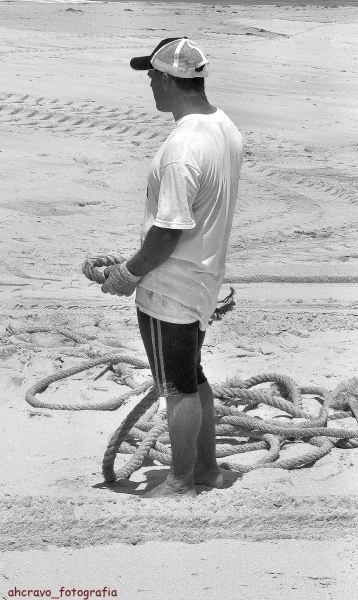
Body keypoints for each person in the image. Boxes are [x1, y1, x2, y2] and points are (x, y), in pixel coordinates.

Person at [100, 37, 244, 498]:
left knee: (176, 387)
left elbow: (168, 232)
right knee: (192, 376)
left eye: (150, 75)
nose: (148, 83)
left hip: (171, 287)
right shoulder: (223, 126)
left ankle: (181, 482)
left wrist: (129, 273)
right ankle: (206, 469)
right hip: (202, 280)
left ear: (167, 80)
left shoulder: (182, 147)